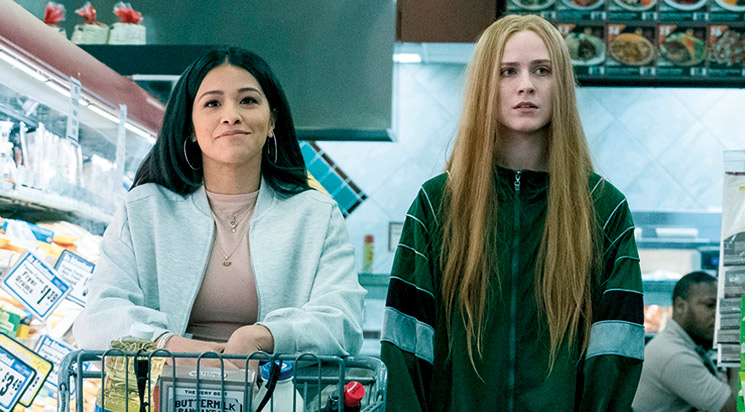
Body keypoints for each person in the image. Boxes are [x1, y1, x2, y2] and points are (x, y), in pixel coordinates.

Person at [380, 14, 644, 412]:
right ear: (485, 85)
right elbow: (404, 348)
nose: (526, 85)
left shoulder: (604, 209)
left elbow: (616, 353)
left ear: (562, 85)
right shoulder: (437, 204)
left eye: (542, 70)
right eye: (508, 72)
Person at [73, 47, 365, 360]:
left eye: (248, 100)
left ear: (272, 121)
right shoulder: (144, 210)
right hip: (166, 385)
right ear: (190, 126)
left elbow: (343, 322)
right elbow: (99, 315)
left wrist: (263, 337)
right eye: (212, 103)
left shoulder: (316, 215)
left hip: (276, 387)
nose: (231, 115)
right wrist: (168, 344)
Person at [633, 272, 737, 412]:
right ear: (681, 306)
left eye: (721, 306)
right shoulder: (673, 355)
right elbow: (735, 407)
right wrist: (736, 348)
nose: (718, 314)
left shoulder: (683, 344)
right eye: (710, 305)